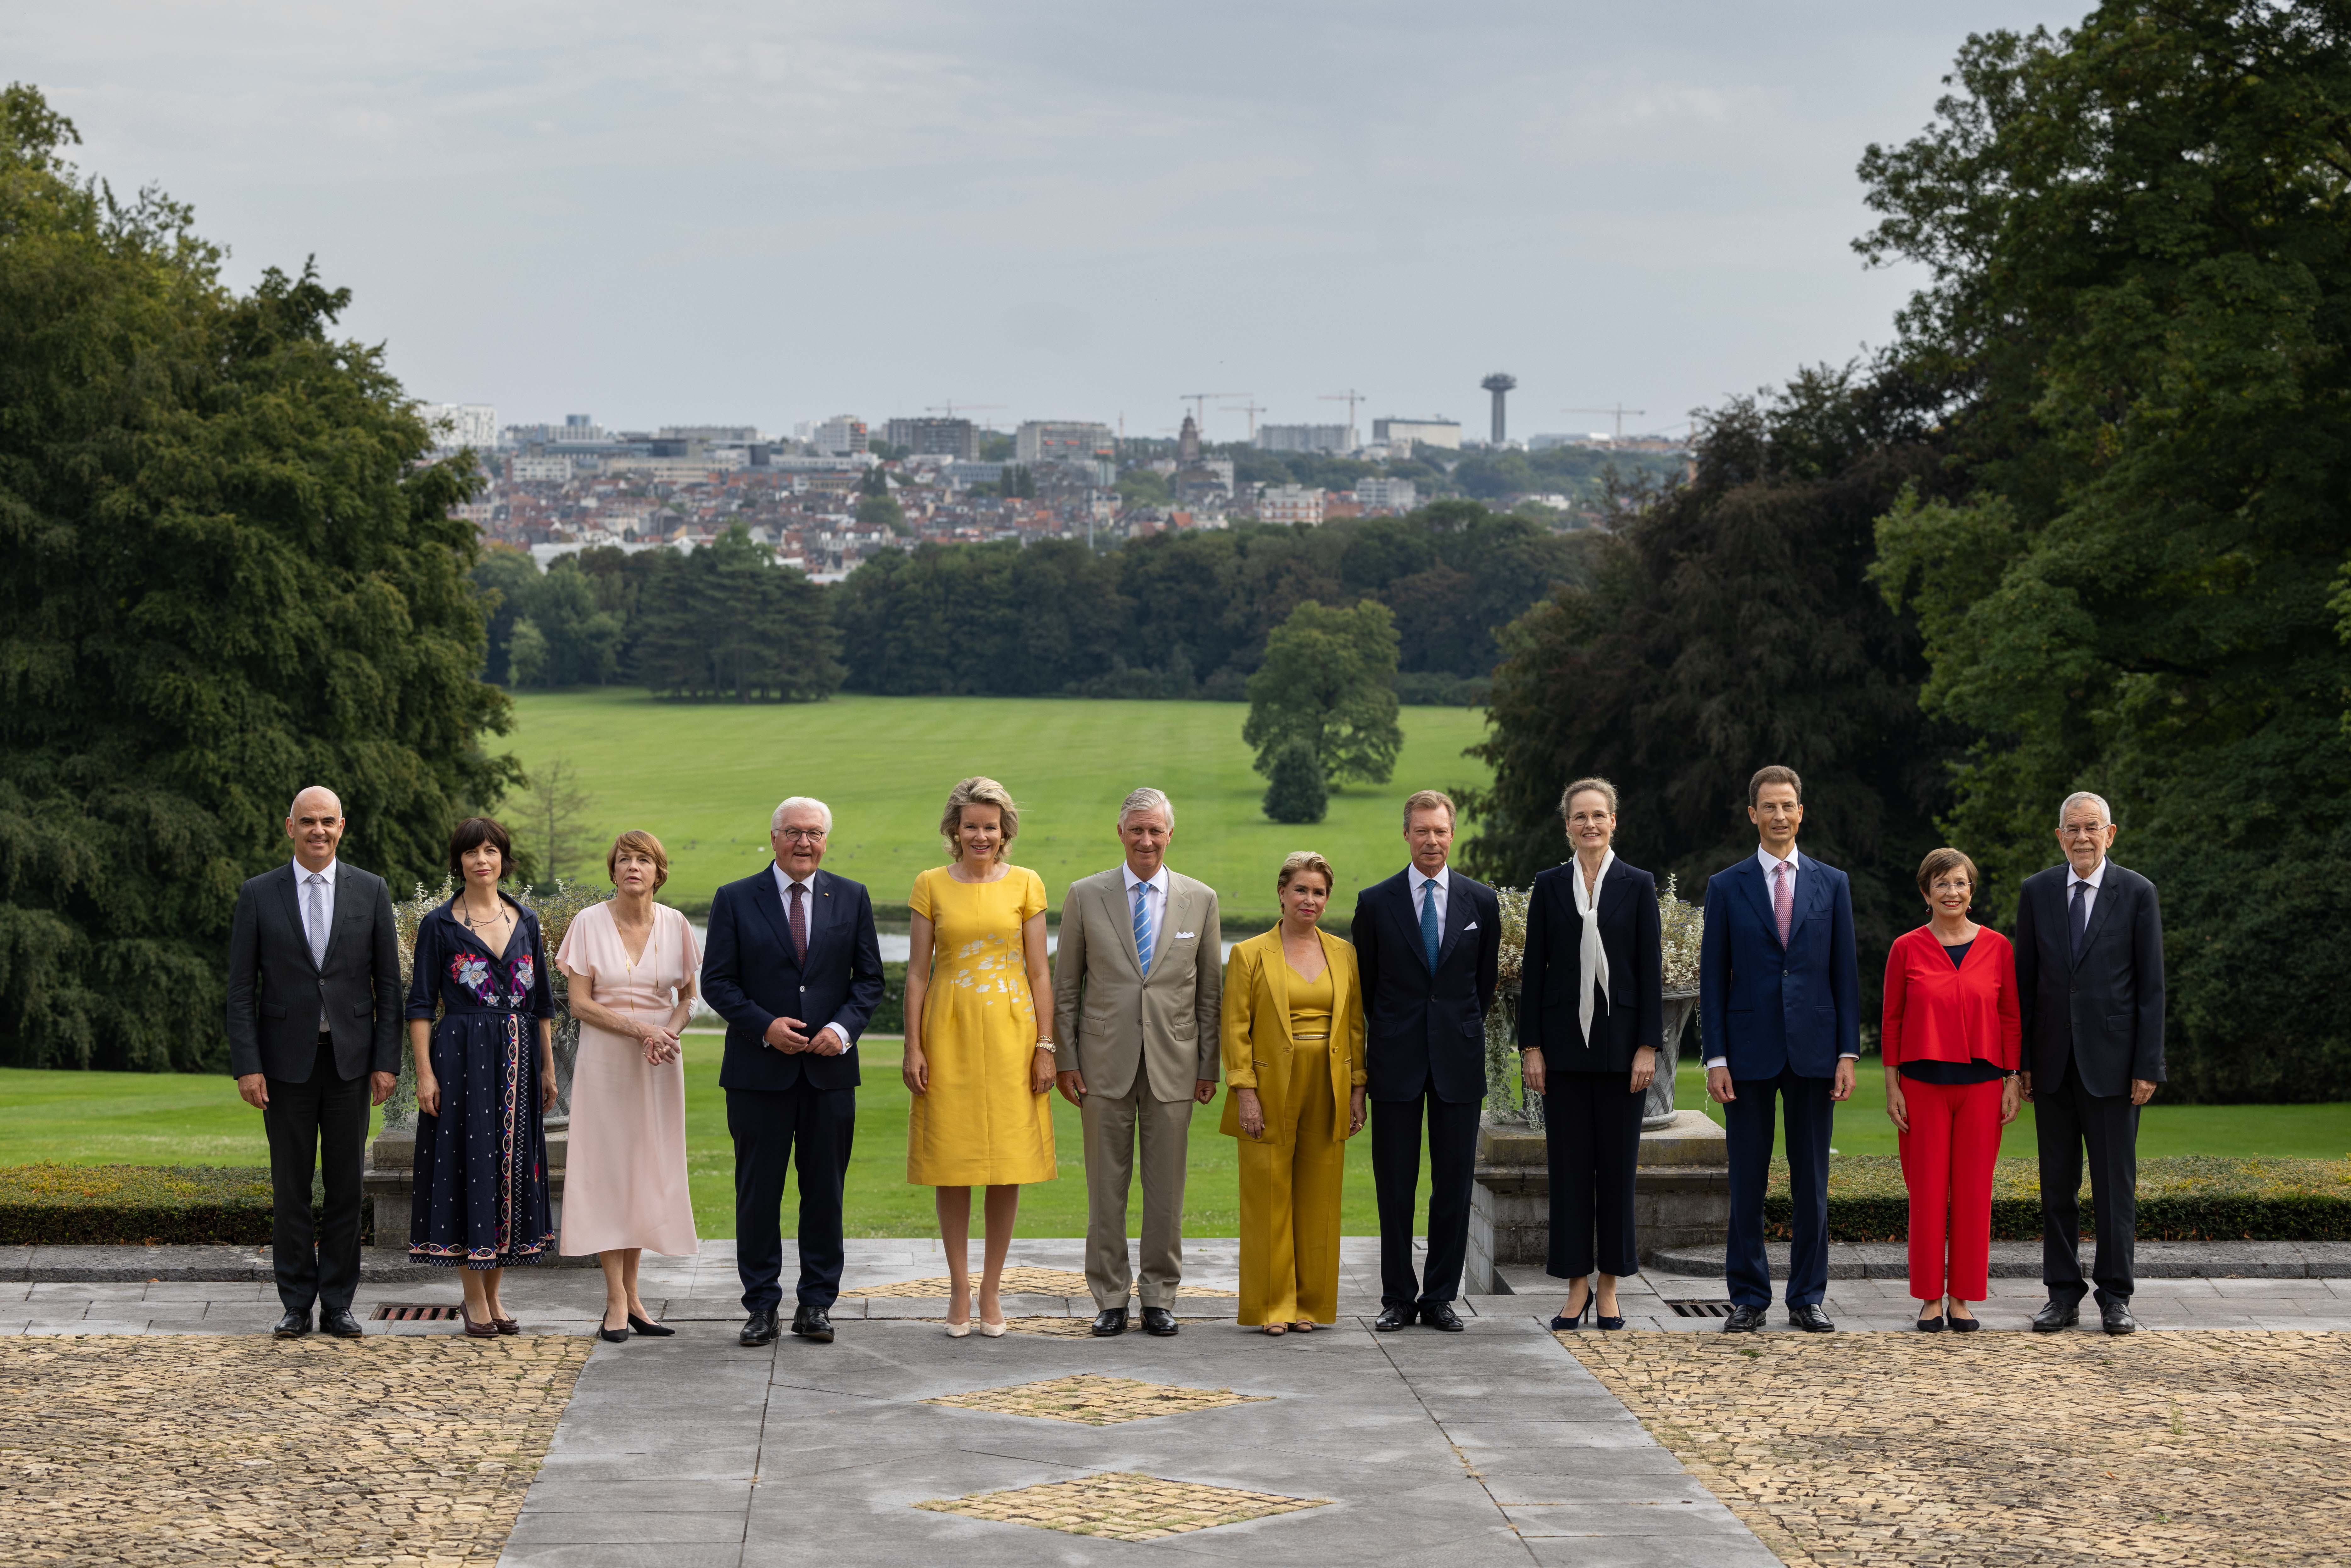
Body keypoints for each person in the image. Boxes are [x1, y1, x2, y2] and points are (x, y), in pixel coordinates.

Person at [702, 797, 886, 1349]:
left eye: (814, 833)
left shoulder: (851, 897)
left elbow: (869, 981)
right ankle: (761, 1305)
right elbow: (718, 982)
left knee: (824, 1192)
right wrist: (764, 1026)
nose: (804, 842)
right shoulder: (735, 898)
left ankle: (816, 1304)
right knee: (758, 1194)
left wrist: (843, 1029)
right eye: (793, 833)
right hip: (759, 1073)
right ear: (774, 837)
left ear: (826, 839)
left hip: (830, 1074)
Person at [225, 786, 403, 1340]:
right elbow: (239, 991)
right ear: (289, 827)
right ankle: (297, 1304)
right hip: (283, 1066)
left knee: (348, 1188)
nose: (318, 831)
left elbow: (390, 986)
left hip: (351, 1063)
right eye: (308, 822)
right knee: (291, 1188)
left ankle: (341, 1305)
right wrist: (247, 1065)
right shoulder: (259, 894)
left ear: (342, 827)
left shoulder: (371, 891)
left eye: (327, 821)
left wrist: (386, 1062)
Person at [1052, 788, 1223, 1338]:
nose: (1146, 840)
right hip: (1102, 1064)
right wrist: (1067, 1059)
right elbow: (1066, 988)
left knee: (1166, 1190)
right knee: (1106, 1188)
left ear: (1170, 834)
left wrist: (1207, 1066)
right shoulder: (1085, 895)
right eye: (1136, 830)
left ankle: (1158, 1296)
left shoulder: (1201, 898)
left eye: (1155, 830)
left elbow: (1210, 995)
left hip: (1175, 1064)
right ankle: (1108, 1297)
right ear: (1120, 833)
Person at [1700, 765, 1859, 1334]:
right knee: (1746, 1180)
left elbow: (1845, 973)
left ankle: (1807, 1297)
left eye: (1788, 805)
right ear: (1752, 814)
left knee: (1811, 1182)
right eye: (1768, 806)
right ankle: (1747, 1297)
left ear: (1800, 811)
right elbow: (1712, 978)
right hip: (1746, 1055)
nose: (1779, 815)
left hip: (1816, 1052)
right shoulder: (1726, 886)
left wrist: (1848, 1052)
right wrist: (1715, 1057)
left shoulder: (1832, 882)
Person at [903, 777, 1058, 1336]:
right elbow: (917, 972)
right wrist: (913, 1045)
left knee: (1006, 1165)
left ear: (1004, 830)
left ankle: (992, 1290)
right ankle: (958, 1288)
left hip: (1013, 1038)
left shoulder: (1027, 884)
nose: (981, 835)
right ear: (954, 829)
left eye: (990, 826)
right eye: (971, 825)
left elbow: (1041, 971)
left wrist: (1046, 1046)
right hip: (948, 1036)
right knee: (953, 1163)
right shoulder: (930, 885)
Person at [2014, 790, 2164, 1336]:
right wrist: (2024, 1062)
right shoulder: (2036, 892)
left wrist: (2147, 1065)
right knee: (2056, 1187)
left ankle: (2115, 1296)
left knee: (2113, 1188)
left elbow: (2151, 987)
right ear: (2059, 836)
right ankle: (2061, 1293)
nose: (2081, 837)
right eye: (2071, 828)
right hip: (2051, 1067)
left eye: (2091, 827)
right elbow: (2024, 983)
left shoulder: (2137, 892)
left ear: (2111, 833)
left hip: (2115, 1069)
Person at [1352, 789, 1501, 1332]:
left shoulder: (1480, 902)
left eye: (1440, 830)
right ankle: (1397, 1296)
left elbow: (1479, 987)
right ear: (1407, 834)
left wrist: (1451, 1027)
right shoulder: (1375, 902)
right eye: (1421, 830)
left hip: (1457, 1060)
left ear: (1452, 833)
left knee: (1454, 1183)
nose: (1431, 840)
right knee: (1395, 1183)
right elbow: (1366, 988)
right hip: (1396, 1058)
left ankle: (1439, 1296)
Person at [1516, 778, 1661, 1331]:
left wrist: (1648, 1044)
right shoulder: (1549, 885)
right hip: (1562, 1051)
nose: (1590, 824)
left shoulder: (1637, 884)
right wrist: (1531, 1047)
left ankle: (1609, 1288)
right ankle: (1575, 1288)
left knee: (1617, 1174)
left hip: (1625, 1050)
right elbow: (1534, 971)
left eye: (1598, 815)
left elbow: (1650, 969)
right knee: (1570, 1174)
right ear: (1567, 824)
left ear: (1614, 822)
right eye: (1580, 816)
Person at [406, 817, 558, 1336]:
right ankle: (472, 1299)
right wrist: (425, 1074)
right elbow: (421, 1005)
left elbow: (542, 1004)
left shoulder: (527, 919)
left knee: (508, 1170)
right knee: (470, 1166)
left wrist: (549, 1068)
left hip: (518, 1058)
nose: (481, 860)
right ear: (459, 861)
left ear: (503, 858)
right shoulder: (439, 924)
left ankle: (495, 1295)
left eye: (490, 850)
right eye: (471, 852)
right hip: (461, 1057)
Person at [557, 831, 701, 1344]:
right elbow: (580, 1003)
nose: (633, 867)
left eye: (643, 860)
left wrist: (669, 1034)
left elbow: (689, 998)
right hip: (606, 1064)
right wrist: (643, 1030)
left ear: (659, 871)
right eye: (624, 860)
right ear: (613, 870)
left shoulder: (677, 924)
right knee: (608, 1173)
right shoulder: (587, 923)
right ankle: (615, 1299)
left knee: (644, 1171)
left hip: (659, 1064)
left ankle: (635, 1298)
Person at [1222, 851, 1365, 1333]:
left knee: (1319, 1197)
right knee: (1267, 1196)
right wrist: (1245, 1091)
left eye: (1319, 892)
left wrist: (1357, 1090)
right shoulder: (1248, 954)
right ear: (1282, 893)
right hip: (1268, 1087)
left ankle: (1310, 1305)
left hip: (1329, 1085)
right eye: (1301, 890)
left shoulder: (1344, 953)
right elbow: (1235, 1028)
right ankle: (1272, 1306)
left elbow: (1355, 1027)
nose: (1310, 899)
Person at [1882, 848, 2023, 1332]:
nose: (1952, 892)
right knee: (1925, 1193)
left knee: (1972, 1194)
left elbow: (2009, 1016)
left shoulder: (1998, 947)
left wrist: (2011, 1079)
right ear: (1926, 893)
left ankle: (1962, 1297)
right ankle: (1928, 1299)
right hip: (1921, 1086)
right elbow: (1892, 1018)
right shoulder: (1905, 947)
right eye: (1941, 883)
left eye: (1960, 883)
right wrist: (1891, 1085)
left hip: (1983, 1086)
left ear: (1971, 890)